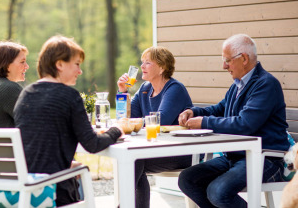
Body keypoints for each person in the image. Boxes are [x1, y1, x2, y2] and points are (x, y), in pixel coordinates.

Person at [178, 34, 290, 208]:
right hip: (236, 156)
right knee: (188, 179)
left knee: (218, 191)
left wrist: (204, 122)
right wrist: (194, 112)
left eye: (227, 60)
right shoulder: (237, 85)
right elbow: (219, 109)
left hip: (265, 158)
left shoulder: (266, 84)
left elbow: (244, 124)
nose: (224, 66)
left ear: (244, 58)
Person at [14, 35, 123, 206]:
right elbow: (92, 144)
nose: (80, 71)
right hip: (53, 191)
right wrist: (117, 130)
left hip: (23, 190)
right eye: (77, 64)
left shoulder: (25, 94)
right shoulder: (69, 96)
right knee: (80, 172)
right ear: (59, 64)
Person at [117, 46, 194, 208]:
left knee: (135, 161)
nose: (142, 66)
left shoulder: (174, 89)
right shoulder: (145, 89)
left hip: (182, 151)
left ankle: (124, 204)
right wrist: (123, 92)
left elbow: (161, 121)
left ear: (162, 68)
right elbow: (131, 119)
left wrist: (136, 123)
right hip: (155, 148)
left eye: (148, 63)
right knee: (133, 159)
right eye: (142, 62)